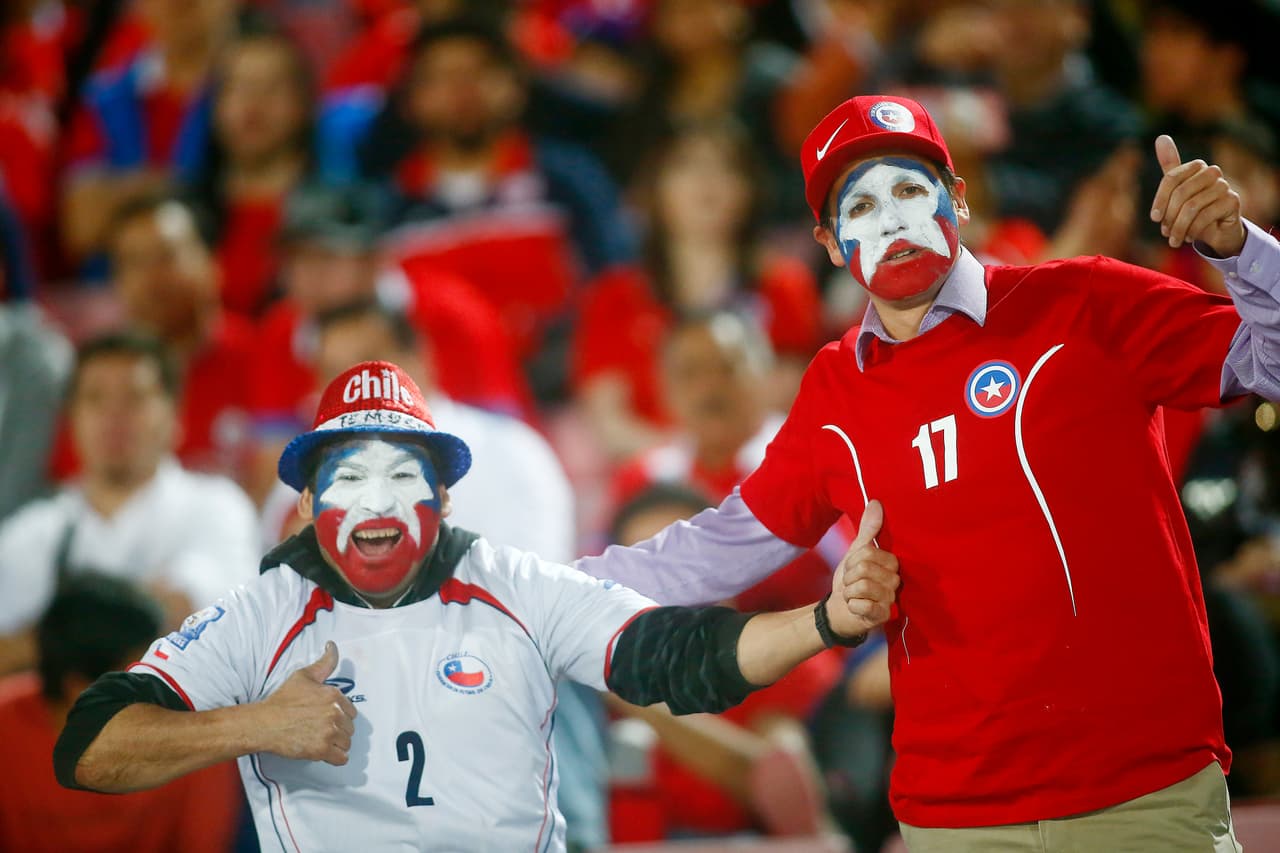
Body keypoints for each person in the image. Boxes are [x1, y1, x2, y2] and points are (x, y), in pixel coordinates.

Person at [575, 93, 1280, 850]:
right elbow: (717, 547)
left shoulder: (1083, 300)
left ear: (959, 201)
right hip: (956, 815)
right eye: (863, 203)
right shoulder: (836, 386)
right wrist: (537, 595)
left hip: (1144, 794)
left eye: (912, 189)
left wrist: (1241, 249)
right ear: (827, 241)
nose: (893, 219)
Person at [53, 359, 899, 852]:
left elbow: (681, 659)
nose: (376, 504)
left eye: (400, 475)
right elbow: (88, 744)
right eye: (348, 477)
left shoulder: (516, 585)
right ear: (307, 507)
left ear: (445, 500)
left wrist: (826, 620)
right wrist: (256, 725)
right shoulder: (259, 614)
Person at [0, 333, 258, 674]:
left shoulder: (217, 506)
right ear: (71, 420)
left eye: (134, 399)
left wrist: (53, 636)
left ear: (175, 415)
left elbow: (199, 611)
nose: (114, 416)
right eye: (95, 399)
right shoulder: (33, 530)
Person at [0, 574, 241, 852]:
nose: (164, 686)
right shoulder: (6, 729)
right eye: (141, 676)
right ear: (79, 688)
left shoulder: (197, 734)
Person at [104, 192, 256, 480]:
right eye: (134, 262)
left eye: (167, 256)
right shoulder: (101, 384)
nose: (152, 277)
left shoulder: (260, 359)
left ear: (214, 265)